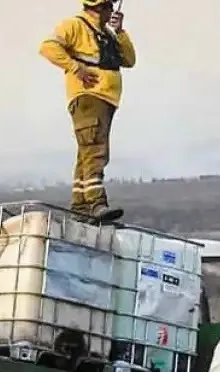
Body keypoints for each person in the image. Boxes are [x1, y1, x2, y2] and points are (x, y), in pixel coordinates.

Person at [39, 0, 136, 223]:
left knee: (86, 153)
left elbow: (129, 60)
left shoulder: (107, 33)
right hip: (89, 96)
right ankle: (96, 203)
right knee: (95, 151)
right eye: (108, 6)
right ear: (98, 8)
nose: (112, 11)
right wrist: (76, 68)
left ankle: (80, 207)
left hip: (105, 99)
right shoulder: (75, 25)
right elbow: (48, 47)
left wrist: (120, 32)